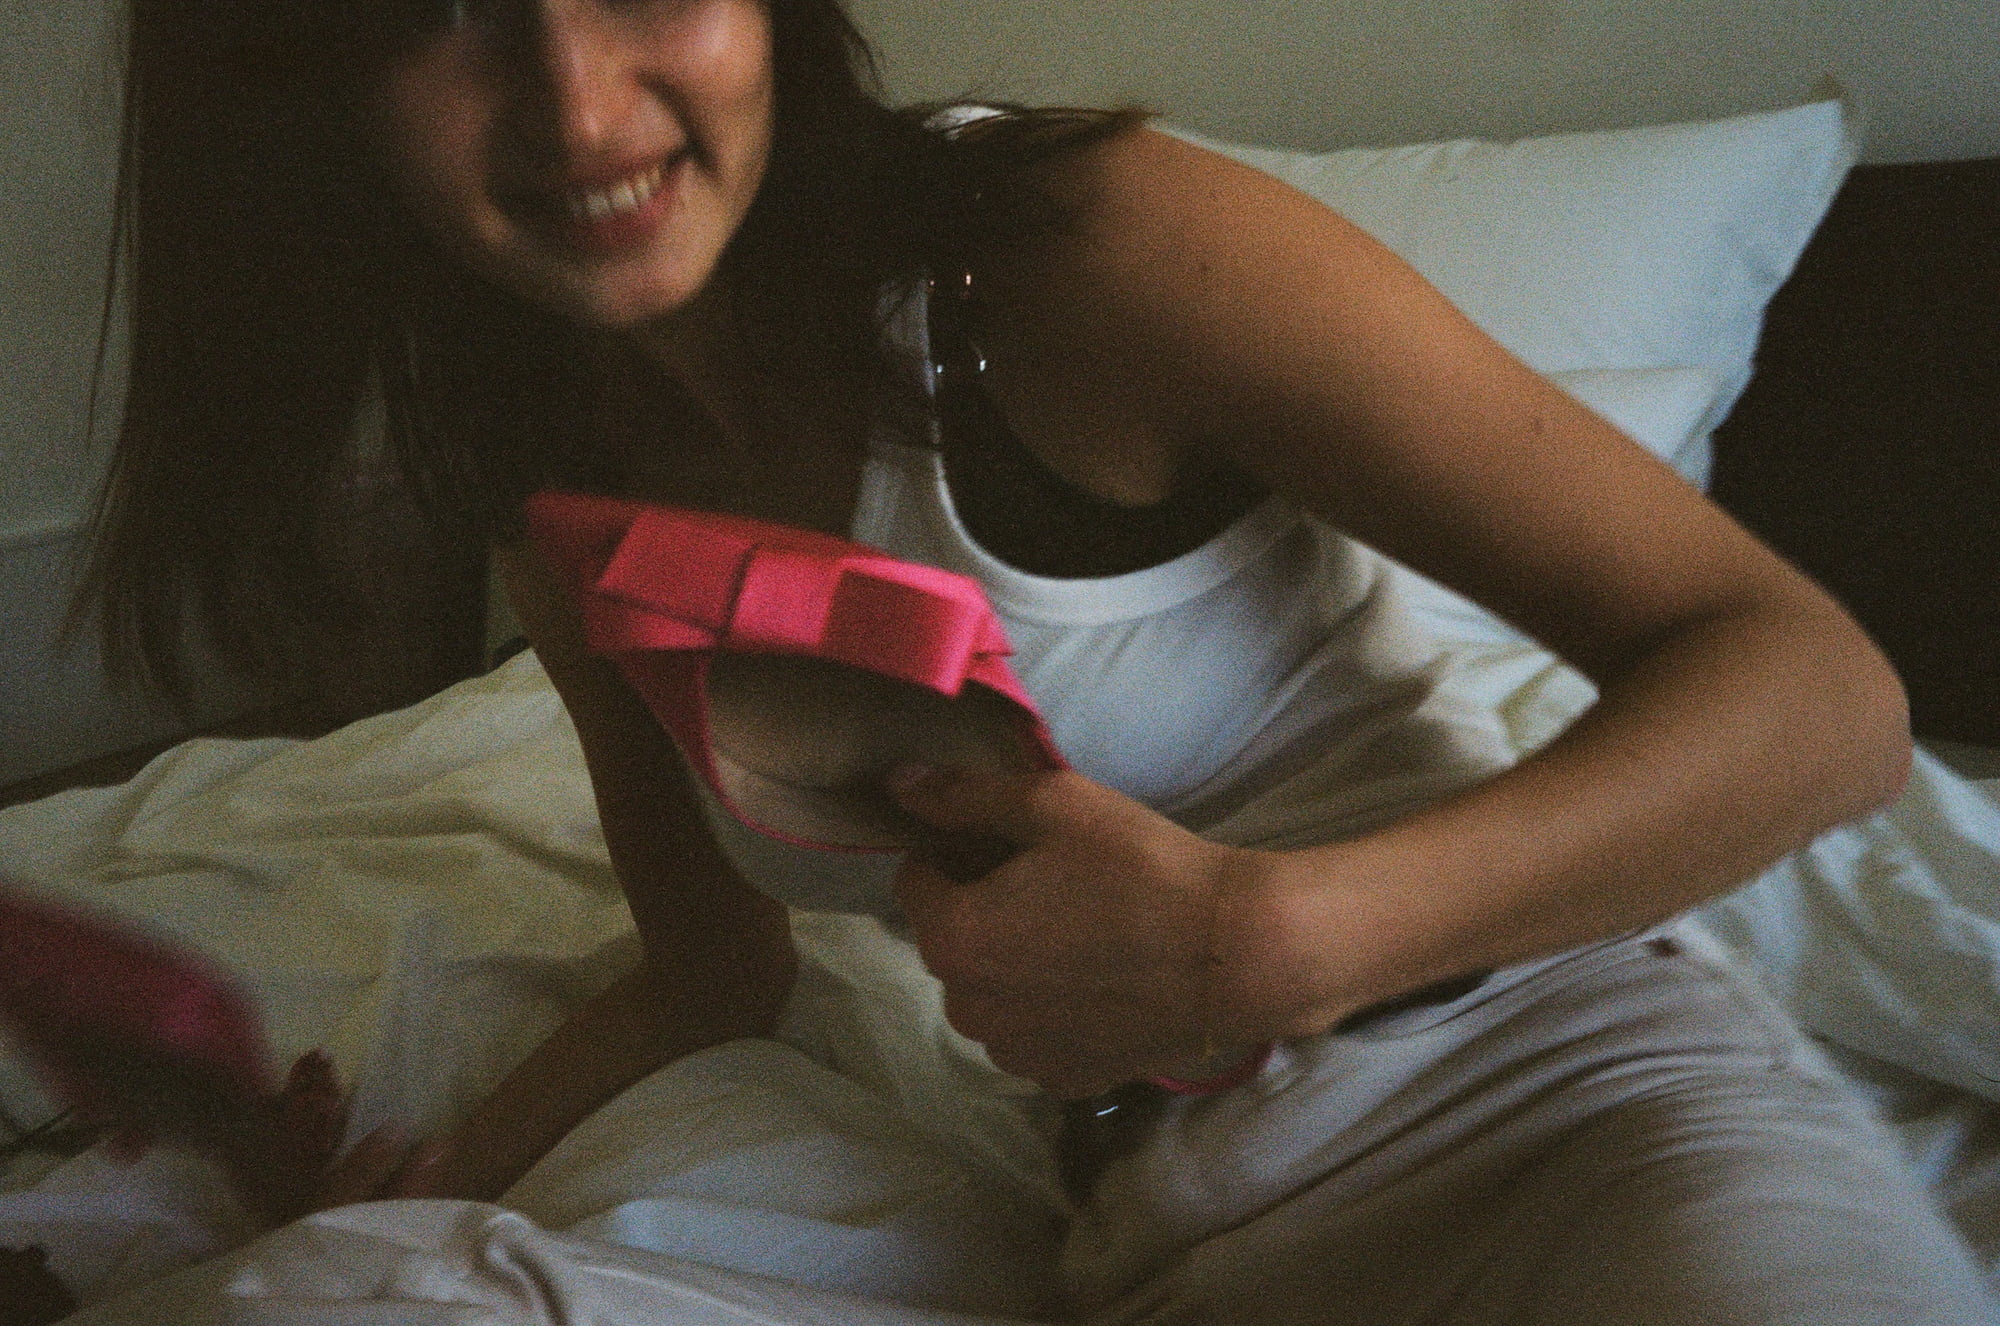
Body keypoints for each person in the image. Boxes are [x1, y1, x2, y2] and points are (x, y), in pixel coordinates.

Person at [66, 0, 1992, 1320]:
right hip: (1158, 1253)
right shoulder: (564, 505)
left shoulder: (1074, 259)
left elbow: (1817, 698)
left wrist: (1272, 939)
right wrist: (407, 1184)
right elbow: (713, 961)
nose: (578, 107)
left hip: (1563, 1116)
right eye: (438, 8)